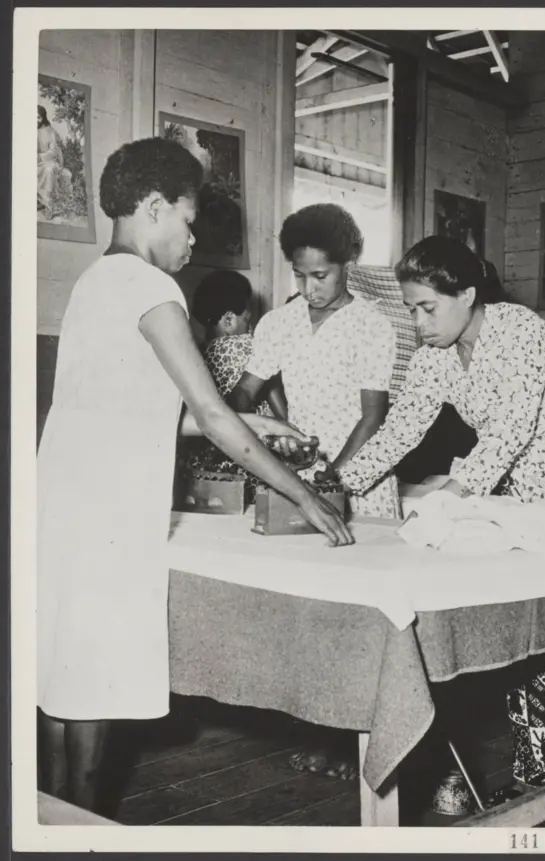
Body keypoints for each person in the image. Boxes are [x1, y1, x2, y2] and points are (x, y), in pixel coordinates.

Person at [37, 138, 352, 813]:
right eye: (187, 219)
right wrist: (302, 494)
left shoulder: (95, 282)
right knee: (96, 683)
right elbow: (210, 413)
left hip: (64, 504)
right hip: (111, 514)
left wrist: (256, 422)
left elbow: (137, 409)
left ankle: (56, 820)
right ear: (154, 208)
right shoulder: (153, 288)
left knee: (66, 676)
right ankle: (83, 828)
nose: (193, 236)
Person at [337, 234, 545, 789]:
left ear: (467, 293)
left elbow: (511, 431)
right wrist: (336, 484)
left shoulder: (520, 330)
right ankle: (543, 785)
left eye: (427, 308)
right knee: (533, 650)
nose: (419, 324)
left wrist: (451, 498)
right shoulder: (434, 357)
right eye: (411, 309)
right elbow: (400, 429)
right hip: (528, 510)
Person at [229, 203, 401, 521]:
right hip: (299, 472)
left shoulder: (372, 326)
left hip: (357, 473)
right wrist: (258, 431)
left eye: (320, 276)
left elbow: (373, 416)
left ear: (348, 263)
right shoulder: (278, 322)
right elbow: (244, 392)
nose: (309, 289)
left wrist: (332, 475)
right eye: (299, 275)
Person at [179, 269, 287, 505]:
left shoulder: (196, 353)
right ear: (229, 321)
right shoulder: (248, 347)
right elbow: (279, 403)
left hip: (205, 469)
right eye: (247, 320)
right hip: (251, 459)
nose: (250, 328)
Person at [37, 105, 66, 219]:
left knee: (49, 170)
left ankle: (48, 204)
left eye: (38, 117)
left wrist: (40, 157)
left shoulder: (50, 131)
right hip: (34, 162)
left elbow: (53, 151)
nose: (36, 120)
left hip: (48, 161)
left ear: (43, 118)